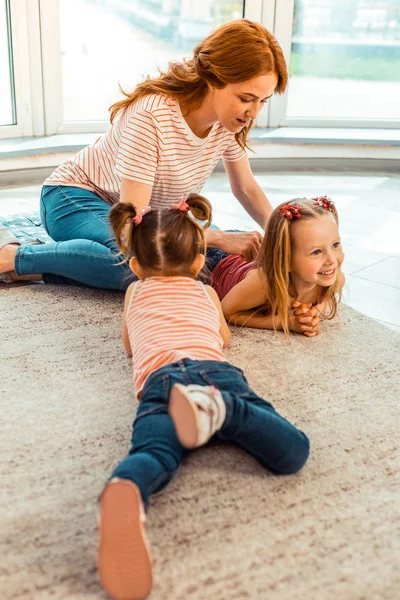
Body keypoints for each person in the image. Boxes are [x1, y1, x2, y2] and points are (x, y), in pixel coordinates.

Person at [98, 193, 310, 600]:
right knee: (292, 452)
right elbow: (223, 339)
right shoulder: (207, 294)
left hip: (160, 382)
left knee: (154, 453)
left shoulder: (134, 295)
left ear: (135, 265)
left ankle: (128, 485)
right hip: (214, 373)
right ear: (199, 262)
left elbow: (130, 348)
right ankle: (221, 409)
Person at [0, 19, 288, 289]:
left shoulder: (229, 121)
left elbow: (246, 189)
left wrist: (284, 234)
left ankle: (66, 263)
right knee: (137, 265)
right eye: (246, 99)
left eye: (263, 101)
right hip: (75, 197)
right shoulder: (152, 115)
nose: (254, 113)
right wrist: (215, 238)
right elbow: (132, 224)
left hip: (152, 217)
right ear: (213, 79)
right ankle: (16, 258)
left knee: (210, 258)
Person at [211, 196, 345, 337]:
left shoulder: (333, 279)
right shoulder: (264, 283)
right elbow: (226, 311)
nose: (331, 260)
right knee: (192, 235)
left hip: (248, 249)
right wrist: (282, 322)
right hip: (215, 258)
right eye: (316, 252)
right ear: (286, 260)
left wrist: (315, 311)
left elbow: (329, 294)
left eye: (335, 245)